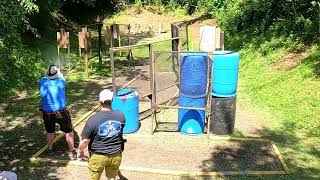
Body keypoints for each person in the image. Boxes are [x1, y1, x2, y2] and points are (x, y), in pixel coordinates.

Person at [77, 89, 126, 180]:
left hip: (98, 156)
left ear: (99, 102)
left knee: (94, 178)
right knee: (111, 177)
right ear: (112, 100)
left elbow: (85, 140)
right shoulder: (121, 115)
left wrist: (80, 151)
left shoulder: (93, 119)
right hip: (115, 154)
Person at [39, 65, 76, 159]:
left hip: (47, 113)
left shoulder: (42, 82)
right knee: (69, 131)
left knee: (49, 131)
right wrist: (58, 72)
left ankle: (50, 149)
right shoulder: (61, 81)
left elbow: (45, 77)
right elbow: (61, 76)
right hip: (60, 112)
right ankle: (72, 150)